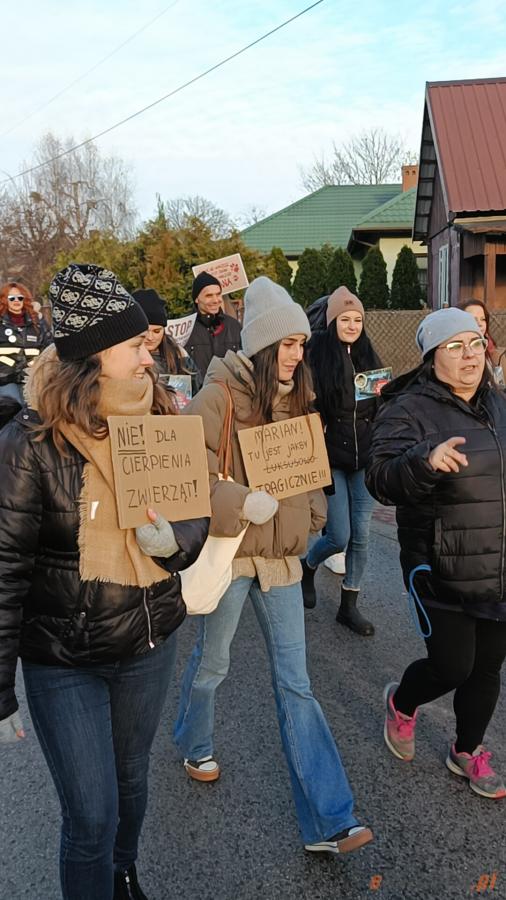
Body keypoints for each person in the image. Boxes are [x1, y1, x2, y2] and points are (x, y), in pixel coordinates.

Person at [0, 263, 209, 900]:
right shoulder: (30, 444)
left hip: (147, 641)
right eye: (134, 345)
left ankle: (123, 873)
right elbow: (5, 567)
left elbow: (193, 506)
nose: (149, 356)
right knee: (90, 813)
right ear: (93, 356)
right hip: (63, 659)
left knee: (131, 782)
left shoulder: (163, 413)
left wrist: (176, 542)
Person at [174, 276, 373, 856]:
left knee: (296, 684)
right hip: (234, 558)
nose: (296, 354)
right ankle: (193, 741)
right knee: (213, 663)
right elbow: (186, 475)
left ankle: (329, 819)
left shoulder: (298, 399)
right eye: (287, 344)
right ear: (263, 346)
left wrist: (313, 514)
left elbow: (308, 473)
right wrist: (239, 501)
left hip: (282, 561)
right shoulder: (217, 398)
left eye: (300, 344)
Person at [366, 307, 506, 800]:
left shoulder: (498, 404)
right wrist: (424, 462)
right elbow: (380, 479)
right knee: (452, 666)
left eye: (475, 344)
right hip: (440, 564)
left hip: (498, 563)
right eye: (455, 347)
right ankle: (402, 704)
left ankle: (466, 749)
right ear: (432, 357)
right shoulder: (408, 408)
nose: (469, 355)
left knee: (487, 666)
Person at [301, 287, 382, 635]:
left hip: (364, 459)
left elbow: (380, 406)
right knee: (338, 536)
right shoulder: (317, 358)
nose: (352, 325)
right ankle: (308, 565)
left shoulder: (369, 357)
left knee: (361, 535)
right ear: (333, 321)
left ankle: (349, 605)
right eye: (345, 319)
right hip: (331, 457)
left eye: (357, 320)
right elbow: (307, 405)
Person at [132, 288, 202, 399]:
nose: (150, 337)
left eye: (157, 331)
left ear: (164, 330)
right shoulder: (122, 356)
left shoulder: (180, 355)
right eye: (145, 332)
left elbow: (198, 391)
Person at [0, 280, 52, 405]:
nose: (16, 301)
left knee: (35, 409)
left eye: (20, 297)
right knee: (12, 407)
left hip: (34, 379)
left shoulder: (37, 322)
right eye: (12, 298)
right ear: (4, 300)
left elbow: (49, 348)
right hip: (5, 380)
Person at [186, 271, 241, 383]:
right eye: (209, 296)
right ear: (196, 299)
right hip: (199, 392)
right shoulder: (185, 327)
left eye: (218, 294)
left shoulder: (234, 326)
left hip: (229, 391)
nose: (216, 300)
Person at [457, 297, 506, 385]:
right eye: (473, 319)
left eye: (483, 319)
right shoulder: (455, 354)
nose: (480, 324)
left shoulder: (496, 354)